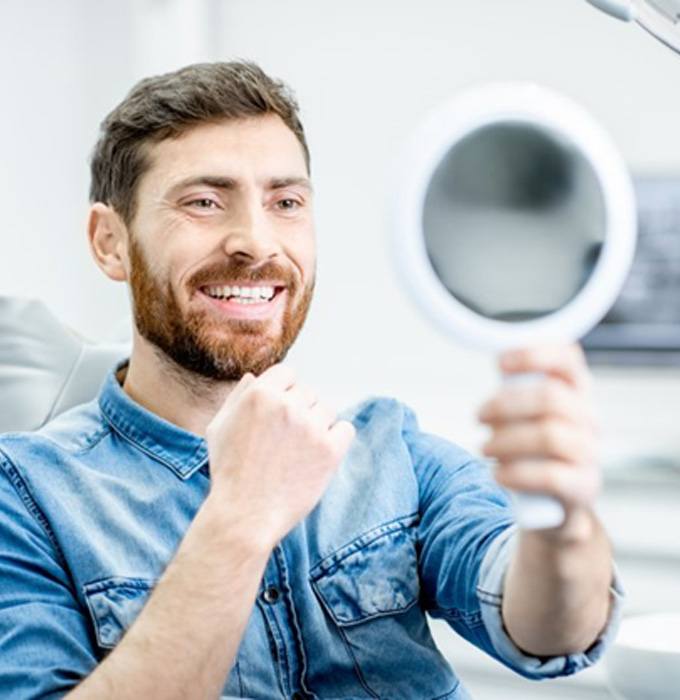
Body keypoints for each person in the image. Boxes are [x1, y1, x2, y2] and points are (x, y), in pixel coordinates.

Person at [0, 62, 622, 700]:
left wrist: (563, 523)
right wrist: (240, 516)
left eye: (286, 202)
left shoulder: (390, 449)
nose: (256, 241)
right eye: (204, 202)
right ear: (110, 242)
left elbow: (554, 632)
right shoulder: (23, 496)